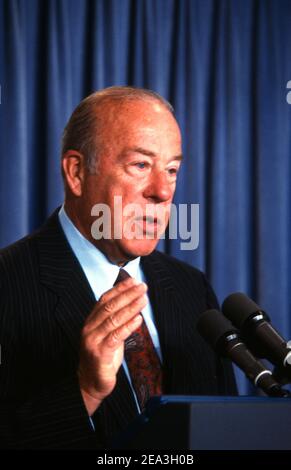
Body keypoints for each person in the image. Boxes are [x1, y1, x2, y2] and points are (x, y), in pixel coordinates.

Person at [0, 86, 236, 449]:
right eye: (140, 165)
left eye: (172, 169)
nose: (162, 191)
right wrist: (85, 391)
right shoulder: (8, 284)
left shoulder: (191, 288)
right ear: (77, 173)